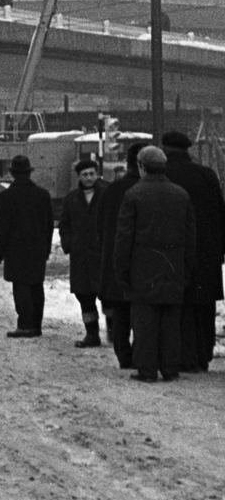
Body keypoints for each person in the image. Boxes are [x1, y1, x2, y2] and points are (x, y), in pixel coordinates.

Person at [112, 145, 196, 382]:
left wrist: (122, 269)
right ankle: (170, 368)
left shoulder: (133, 195)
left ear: (141, 166)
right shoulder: (181, 194)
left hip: (143, 266)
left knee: (145, 321)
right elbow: (191, 236)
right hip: (173, 264)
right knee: (171, 320)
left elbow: (124, 237)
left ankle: (147, 369)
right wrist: (186, 267)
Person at [160, 130, 224, 373]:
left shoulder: (163, 175)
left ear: (165, 148)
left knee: (179, 307)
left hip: (174, 252)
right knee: (204, 306)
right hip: (207, 254)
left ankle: (183, 356)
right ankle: (203, 355)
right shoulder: (206, 174)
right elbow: (220, 213)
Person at [0, 153, 55, 337]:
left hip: (15, 249)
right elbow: (49, 225)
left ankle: (25, 324)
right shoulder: (43, 195)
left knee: (21, 286)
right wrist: (46, 248)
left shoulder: (6, 196)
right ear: (29, 173)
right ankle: (36, 325)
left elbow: (2, 226)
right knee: (36, 286)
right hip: (37, 249)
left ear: (12, 173)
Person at [92, 144, 142, 368]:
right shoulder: (144, 188)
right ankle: (142, 354)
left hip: (115, 259)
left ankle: (123, 354)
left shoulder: (112, 190)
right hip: (142, 261)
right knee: (143, 312)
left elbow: (100, 225)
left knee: (121, 311)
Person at [58, 156, 108, 348]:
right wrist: (69, 243)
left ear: (97, 174)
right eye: (85, 174)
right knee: (84, 296)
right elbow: (65, 223)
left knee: (108, 295)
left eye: (92, 174)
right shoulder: (71, 198)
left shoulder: (106, 193)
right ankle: (91, 334)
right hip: (80, 255)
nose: (89, 178)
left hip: (102, 254)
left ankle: (113, 331)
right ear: (78, 176)